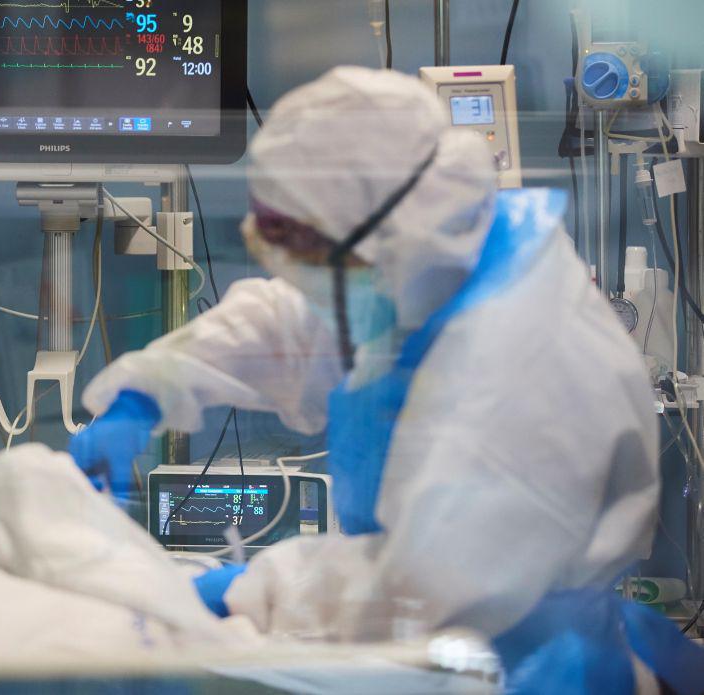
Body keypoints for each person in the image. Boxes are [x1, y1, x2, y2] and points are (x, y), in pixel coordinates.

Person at [70, 66, 704, 693]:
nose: (283, 261)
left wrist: (236, 589)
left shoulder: (521, 368)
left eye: (295, 239)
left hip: (516, 666)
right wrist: (147, 387)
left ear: (380, 231)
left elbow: (419, 589)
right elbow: (294, 320)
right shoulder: (435, 267)